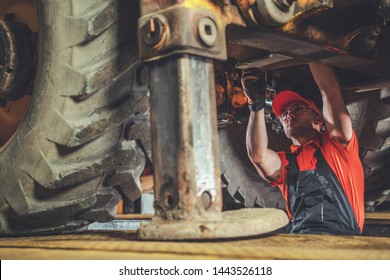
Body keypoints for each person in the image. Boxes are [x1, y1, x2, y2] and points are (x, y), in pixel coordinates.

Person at [241, 63, 364, 235]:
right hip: (303, 244)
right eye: (284, 115)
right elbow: (258, 155)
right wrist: (256, 106)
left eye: (297, 109)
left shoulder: (338, 146)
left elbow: (329, 90)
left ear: (318, 118)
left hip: (342, 246)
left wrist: (307, 48)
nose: (289, 115)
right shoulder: (286, 165)